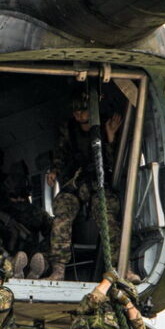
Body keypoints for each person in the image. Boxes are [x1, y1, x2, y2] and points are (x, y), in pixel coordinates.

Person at [45, 88, 140, 282]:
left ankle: (124, 268)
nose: (79, 114)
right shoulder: (69, 129)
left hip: (99, 183)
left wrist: (110, 137)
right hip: (76, 183)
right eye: (76, 110)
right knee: (61, 216)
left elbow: (116, 163)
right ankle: (58, 269)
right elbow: (61, 154)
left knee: (108, 217)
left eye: (83, 109)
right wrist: (54, 170)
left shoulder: (106, 125)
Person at [0, 173, 51, 278]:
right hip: (2, 256)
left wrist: (41, 249)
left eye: (23, 196)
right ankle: (12, 267)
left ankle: (33, 273)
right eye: (14, 196)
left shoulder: (37, 213)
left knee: (40, 258)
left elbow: (53, 234)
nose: (19, 200)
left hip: (30, 255)